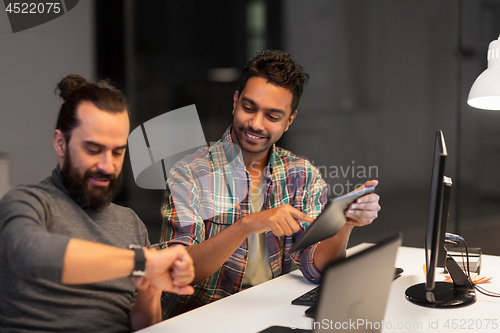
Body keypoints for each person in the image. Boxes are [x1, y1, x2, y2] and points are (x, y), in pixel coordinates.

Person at [159, 50, 380, 318]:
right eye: (248, 108)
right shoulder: (190, 173)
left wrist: (346, 223)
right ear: (235, 102)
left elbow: (314, 266)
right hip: (204, 318)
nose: (255, 123)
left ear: (289, 121)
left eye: (272, 117)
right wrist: (247, 225)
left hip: (271, 313)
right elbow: (179, 271)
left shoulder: (302, 174)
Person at [0, 74, 195, 332]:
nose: (107, 166)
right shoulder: (27, 203)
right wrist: (142, 262)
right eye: (93, 150)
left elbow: (144, 325)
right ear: (61, 143)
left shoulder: (130, 223)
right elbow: (31, 254)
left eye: (117, 152)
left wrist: (152, 287)